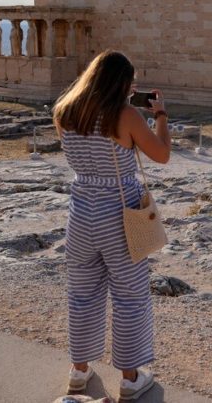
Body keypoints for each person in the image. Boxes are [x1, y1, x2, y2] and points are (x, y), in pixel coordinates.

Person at [52, 50, 170, 401]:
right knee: (130, 297)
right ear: (121, 82)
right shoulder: (126, 114)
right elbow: (161, 155)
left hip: (81, 212)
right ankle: (131, 378)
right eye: (130, 84)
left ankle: (79, 370)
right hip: (119, 215)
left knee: (82, 294)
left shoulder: (64, 111)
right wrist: (161, 115)